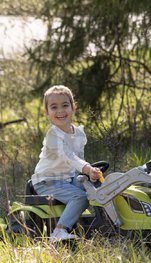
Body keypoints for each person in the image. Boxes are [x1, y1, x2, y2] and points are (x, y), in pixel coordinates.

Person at [31, 85, 102, 242]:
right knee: (81, 197)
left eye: (65, 105)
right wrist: (88, 168)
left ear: (73, 107)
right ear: (47, 112)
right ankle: (59, 232)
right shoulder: (53, 136)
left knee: (99, 190)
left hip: (68, 179)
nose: (60, 111)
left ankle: (104, 225)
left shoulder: (79, 133)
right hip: (48, 181)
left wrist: (89, 174)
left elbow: (79, 159)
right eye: (54, 107)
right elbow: (69, 157)